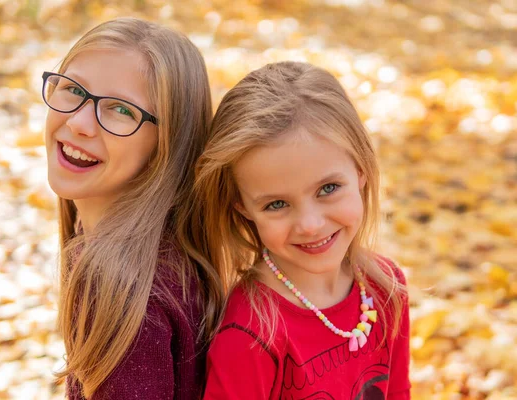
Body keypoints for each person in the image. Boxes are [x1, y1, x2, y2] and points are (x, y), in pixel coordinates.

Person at [189, 61, 411, 399]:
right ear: (241, 206)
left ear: (361, 169)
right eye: (276, 204)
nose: (310, 224)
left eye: (328, 188)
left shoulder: (385, 287)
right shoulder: (251, 334)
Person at [41, 17, 223, 399]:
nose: (79, 123)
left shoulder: (119, 286)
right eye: (73, 89)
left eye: (121, 111)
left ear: (169, 145)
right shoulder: (166, 251)